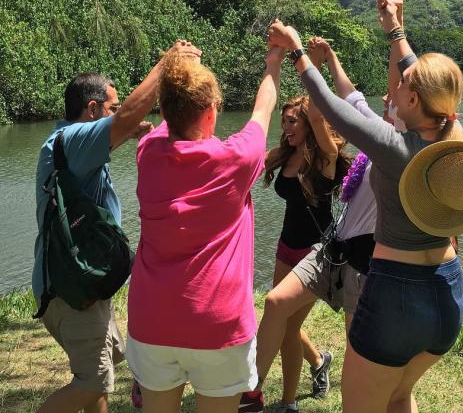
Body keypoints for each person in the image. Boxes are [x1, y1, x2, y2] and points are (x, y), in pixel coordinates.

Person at [267, 0, 463, 413]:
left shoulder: (395, 147)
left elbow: (327, 104)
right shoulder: (455, 136)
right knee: (398, 396)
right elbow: (418, 75)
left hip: (397, 293)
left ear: (414, 102)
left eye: (403, 89)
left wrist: (297, 48)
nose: (394, 92)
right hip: (447, 290)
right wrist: (395, 29)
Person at [33, 40, 200, 413]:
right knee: (93, 382)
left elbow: (118, 130)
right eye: (111, 107)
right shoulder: (74, 140)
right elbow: (123, 122)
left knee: (105, 368)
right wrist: (167, 62)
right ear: (92, 109)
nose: (118, 112)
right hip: (72, 291)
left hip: (76, 283)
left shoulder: (67, 144)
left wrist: (128, 131)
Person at [125, 45, 284, 413]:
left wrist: (178, 67)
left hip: (152, 321)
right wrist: (273, 62)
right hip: (219, 327)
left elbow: (170, 122)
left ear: (163, 111)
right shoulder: (238, 159)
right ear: (212, 113)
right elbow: (264, 108)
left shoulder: (147, 153)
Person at [249, 91, 350, 412]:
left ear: (308, 123)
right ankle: (319, 361)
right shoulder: (284, 153)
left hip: (316, 252)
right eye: (283, 121)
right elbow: (242, 160)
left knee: (288, 327)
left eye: (292, 121)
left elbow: (324, 130)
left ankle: (288, 402)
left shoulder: (324, 158)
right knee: (280, 322)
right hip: (286, 246)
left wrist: (311, 72)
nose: (286, 127)